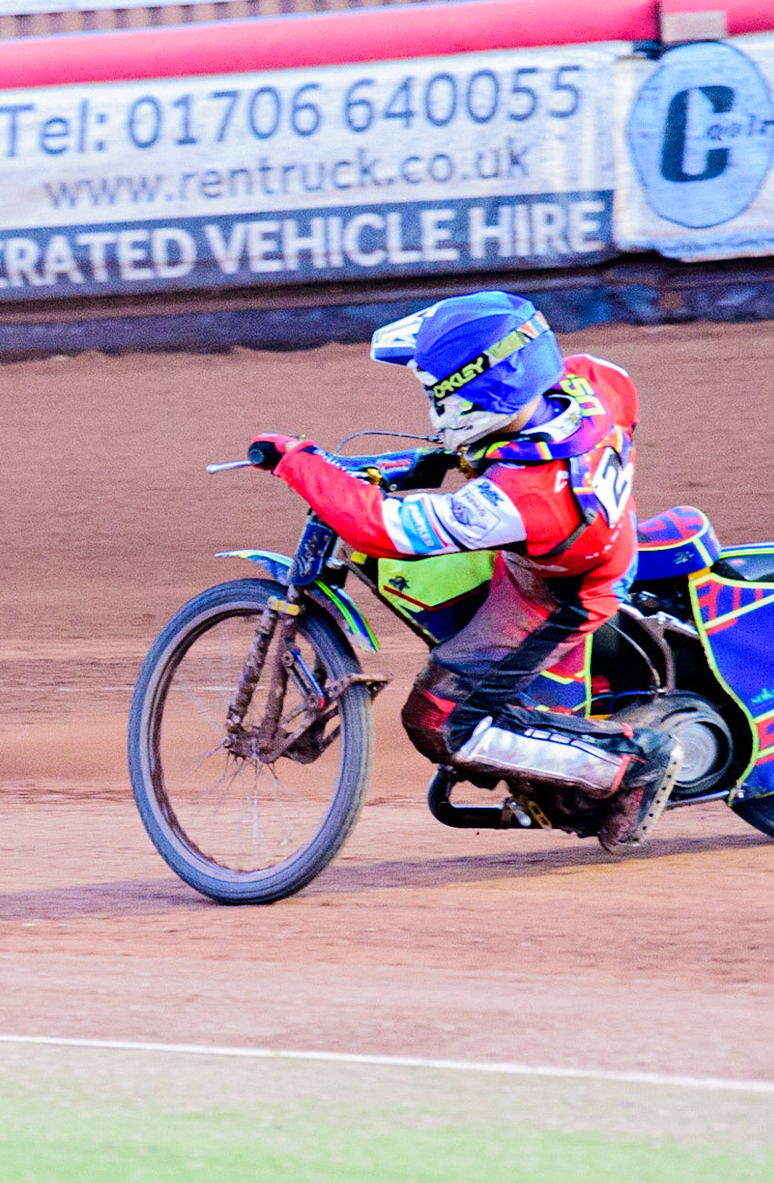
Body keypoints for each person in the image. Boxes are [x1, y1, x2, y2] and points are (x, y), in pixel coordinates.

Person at [249, 290, 681, 853]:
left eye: (437, 390)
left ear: (476, 392)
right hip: (586, 544)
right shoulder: (595, 382)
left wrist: (296, 461)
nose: (431, 403)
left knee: (440, 721)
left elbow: (384, 528)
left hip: (558, 594)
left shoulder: (519, 499)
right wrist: (472, 455)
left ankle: (630, 762)